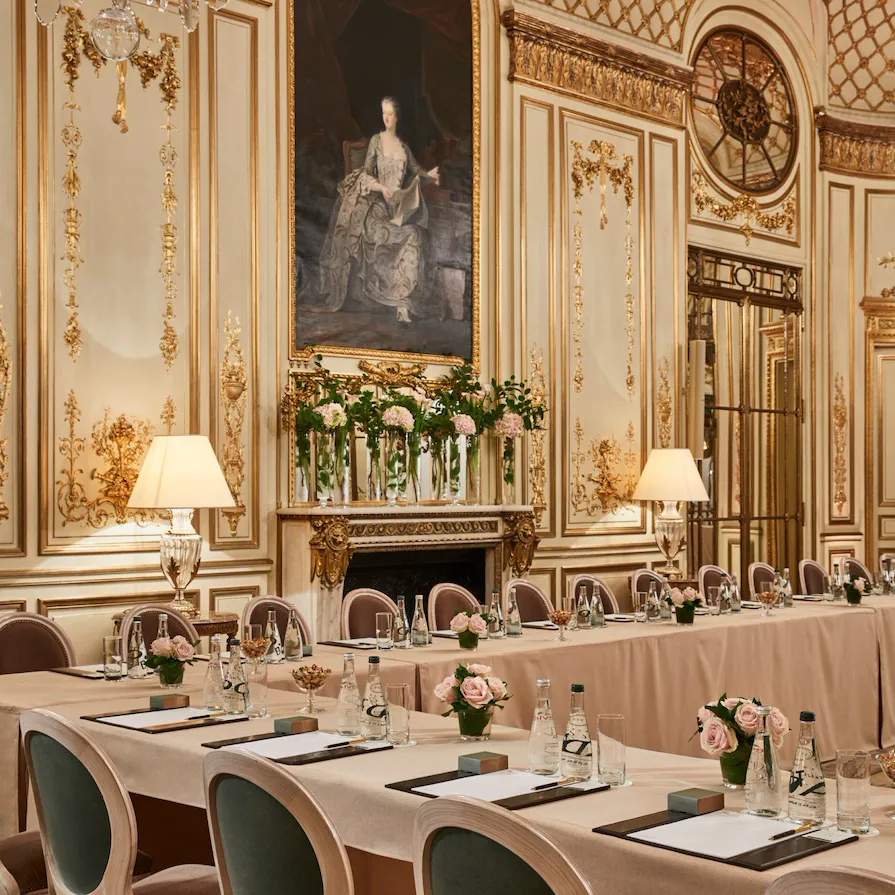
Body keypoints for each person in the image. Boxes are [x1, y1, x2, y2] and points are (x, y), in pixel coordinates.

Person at [317, 97, 440, 323]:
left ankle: (402, 304)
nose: (386, 117)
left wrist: (428, 175)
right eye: (383, 113)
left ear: (397, 116)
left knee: (414, 235)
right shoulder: (376, 141)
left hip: (396, 208)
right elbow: (365, 173)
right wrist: (381, 186)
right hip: (375, 208)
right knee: (386, 234)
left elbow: (416, 169)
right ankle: (395, 302)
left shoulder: (404, 148)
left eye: (390, 113)